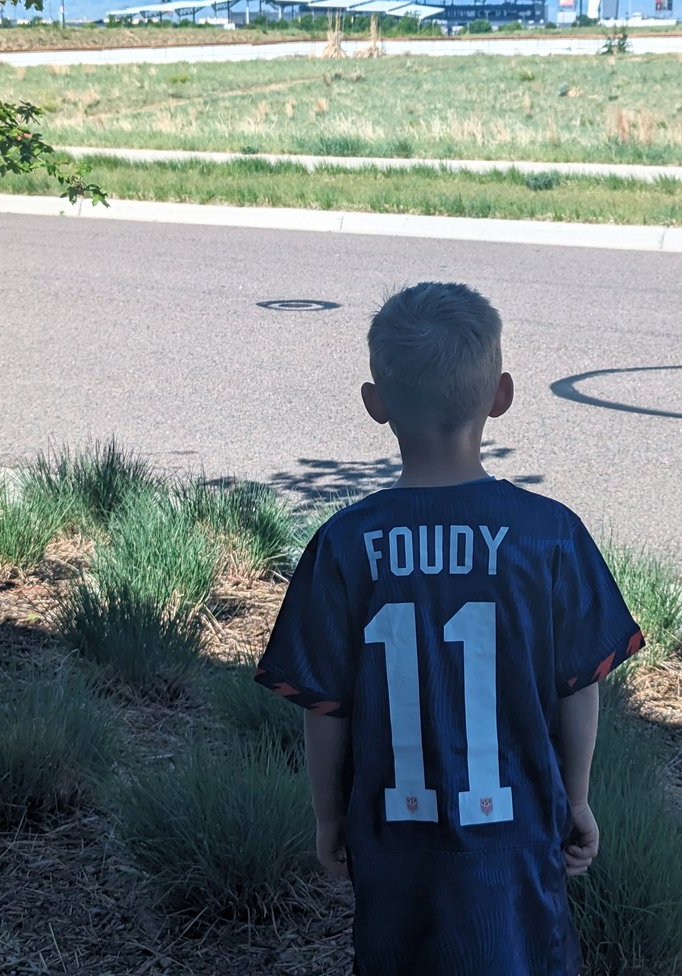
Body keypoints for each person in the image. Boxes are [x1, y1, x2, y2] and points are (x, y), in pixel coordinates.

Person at [255, 282, 644, 976]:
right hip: (517, 838)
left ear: (375, 405)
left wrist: (328, 817)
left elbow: (325, 709)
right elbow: (578, 688)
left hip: (393, 838)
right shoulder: (549, 536)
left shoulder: (344, 544)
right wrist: (575, 799)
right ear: (501, 394)